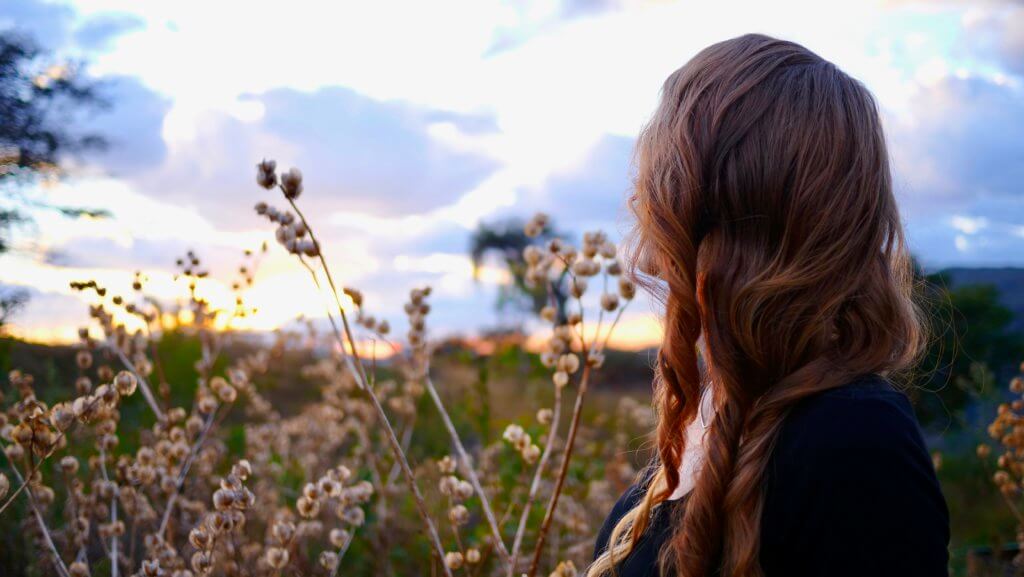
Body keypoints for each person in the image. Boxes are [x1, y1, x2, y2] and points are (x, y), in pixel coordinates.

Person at [589, 33, 950, 577]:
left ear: (697, 200)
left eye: (658, 176)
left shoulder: (855, 442)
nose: (640, 201)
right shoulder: (718, 410)